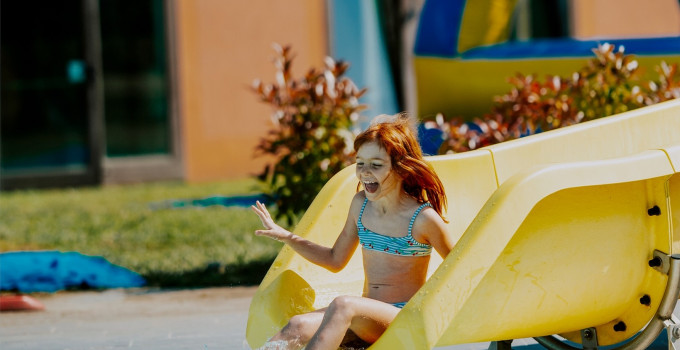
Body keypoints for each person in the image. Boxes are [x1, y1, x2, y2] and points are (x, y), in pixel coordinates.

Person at [251, 113, 455, 350]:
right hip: (363, 315)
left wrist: (435, 315)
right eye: (360, 163)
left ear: (401, 168)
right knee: (297, 325)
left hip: (403, 317)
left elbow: (458, 269)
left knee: (343, 305)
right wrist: (286, 236)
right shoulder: (361, 205)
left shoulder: (422, 219)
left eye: (376, 165)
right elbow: (335, 259)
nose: (365, 171)